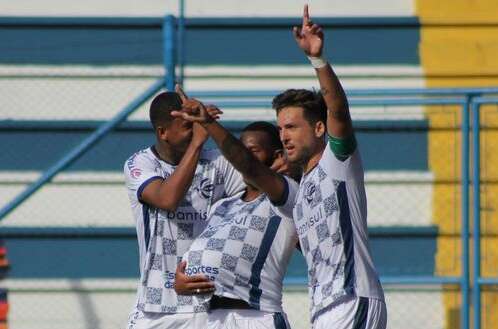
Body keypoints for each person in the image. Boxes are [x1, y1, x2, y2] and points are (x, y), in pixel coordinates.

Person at [270, 5, 387, 329]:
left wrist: (317, 59)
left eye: (292, 127)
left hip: (352, 299)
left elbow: (337, 108)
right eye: (280, 129)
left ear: (320, 128)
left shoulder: (338, 162)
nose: (284, 136)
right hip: (323, 309)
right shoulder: (301, 186)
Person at [171, 94, 299, 328]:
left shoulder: (286, 197)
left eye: (252, 150)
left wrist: (209, 123)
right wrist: (180, 284)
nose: (242, 158)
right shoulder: (223, 205)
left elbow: (248, 165)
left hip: (254, 316)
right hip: (211, 317)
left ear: (278, 156)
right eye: (242, 150)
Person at [123, 89, 245, 329]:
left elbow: (257, 176)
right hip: (155, 306)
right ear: (163, 132)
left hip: (205, 305)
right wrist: (198, 141)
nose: (196, 130)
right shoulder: (140, 163)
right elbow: (168, 198)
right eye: (187, 126)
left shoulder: (216, 163)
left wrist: (211, 125)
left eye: (196, 123)